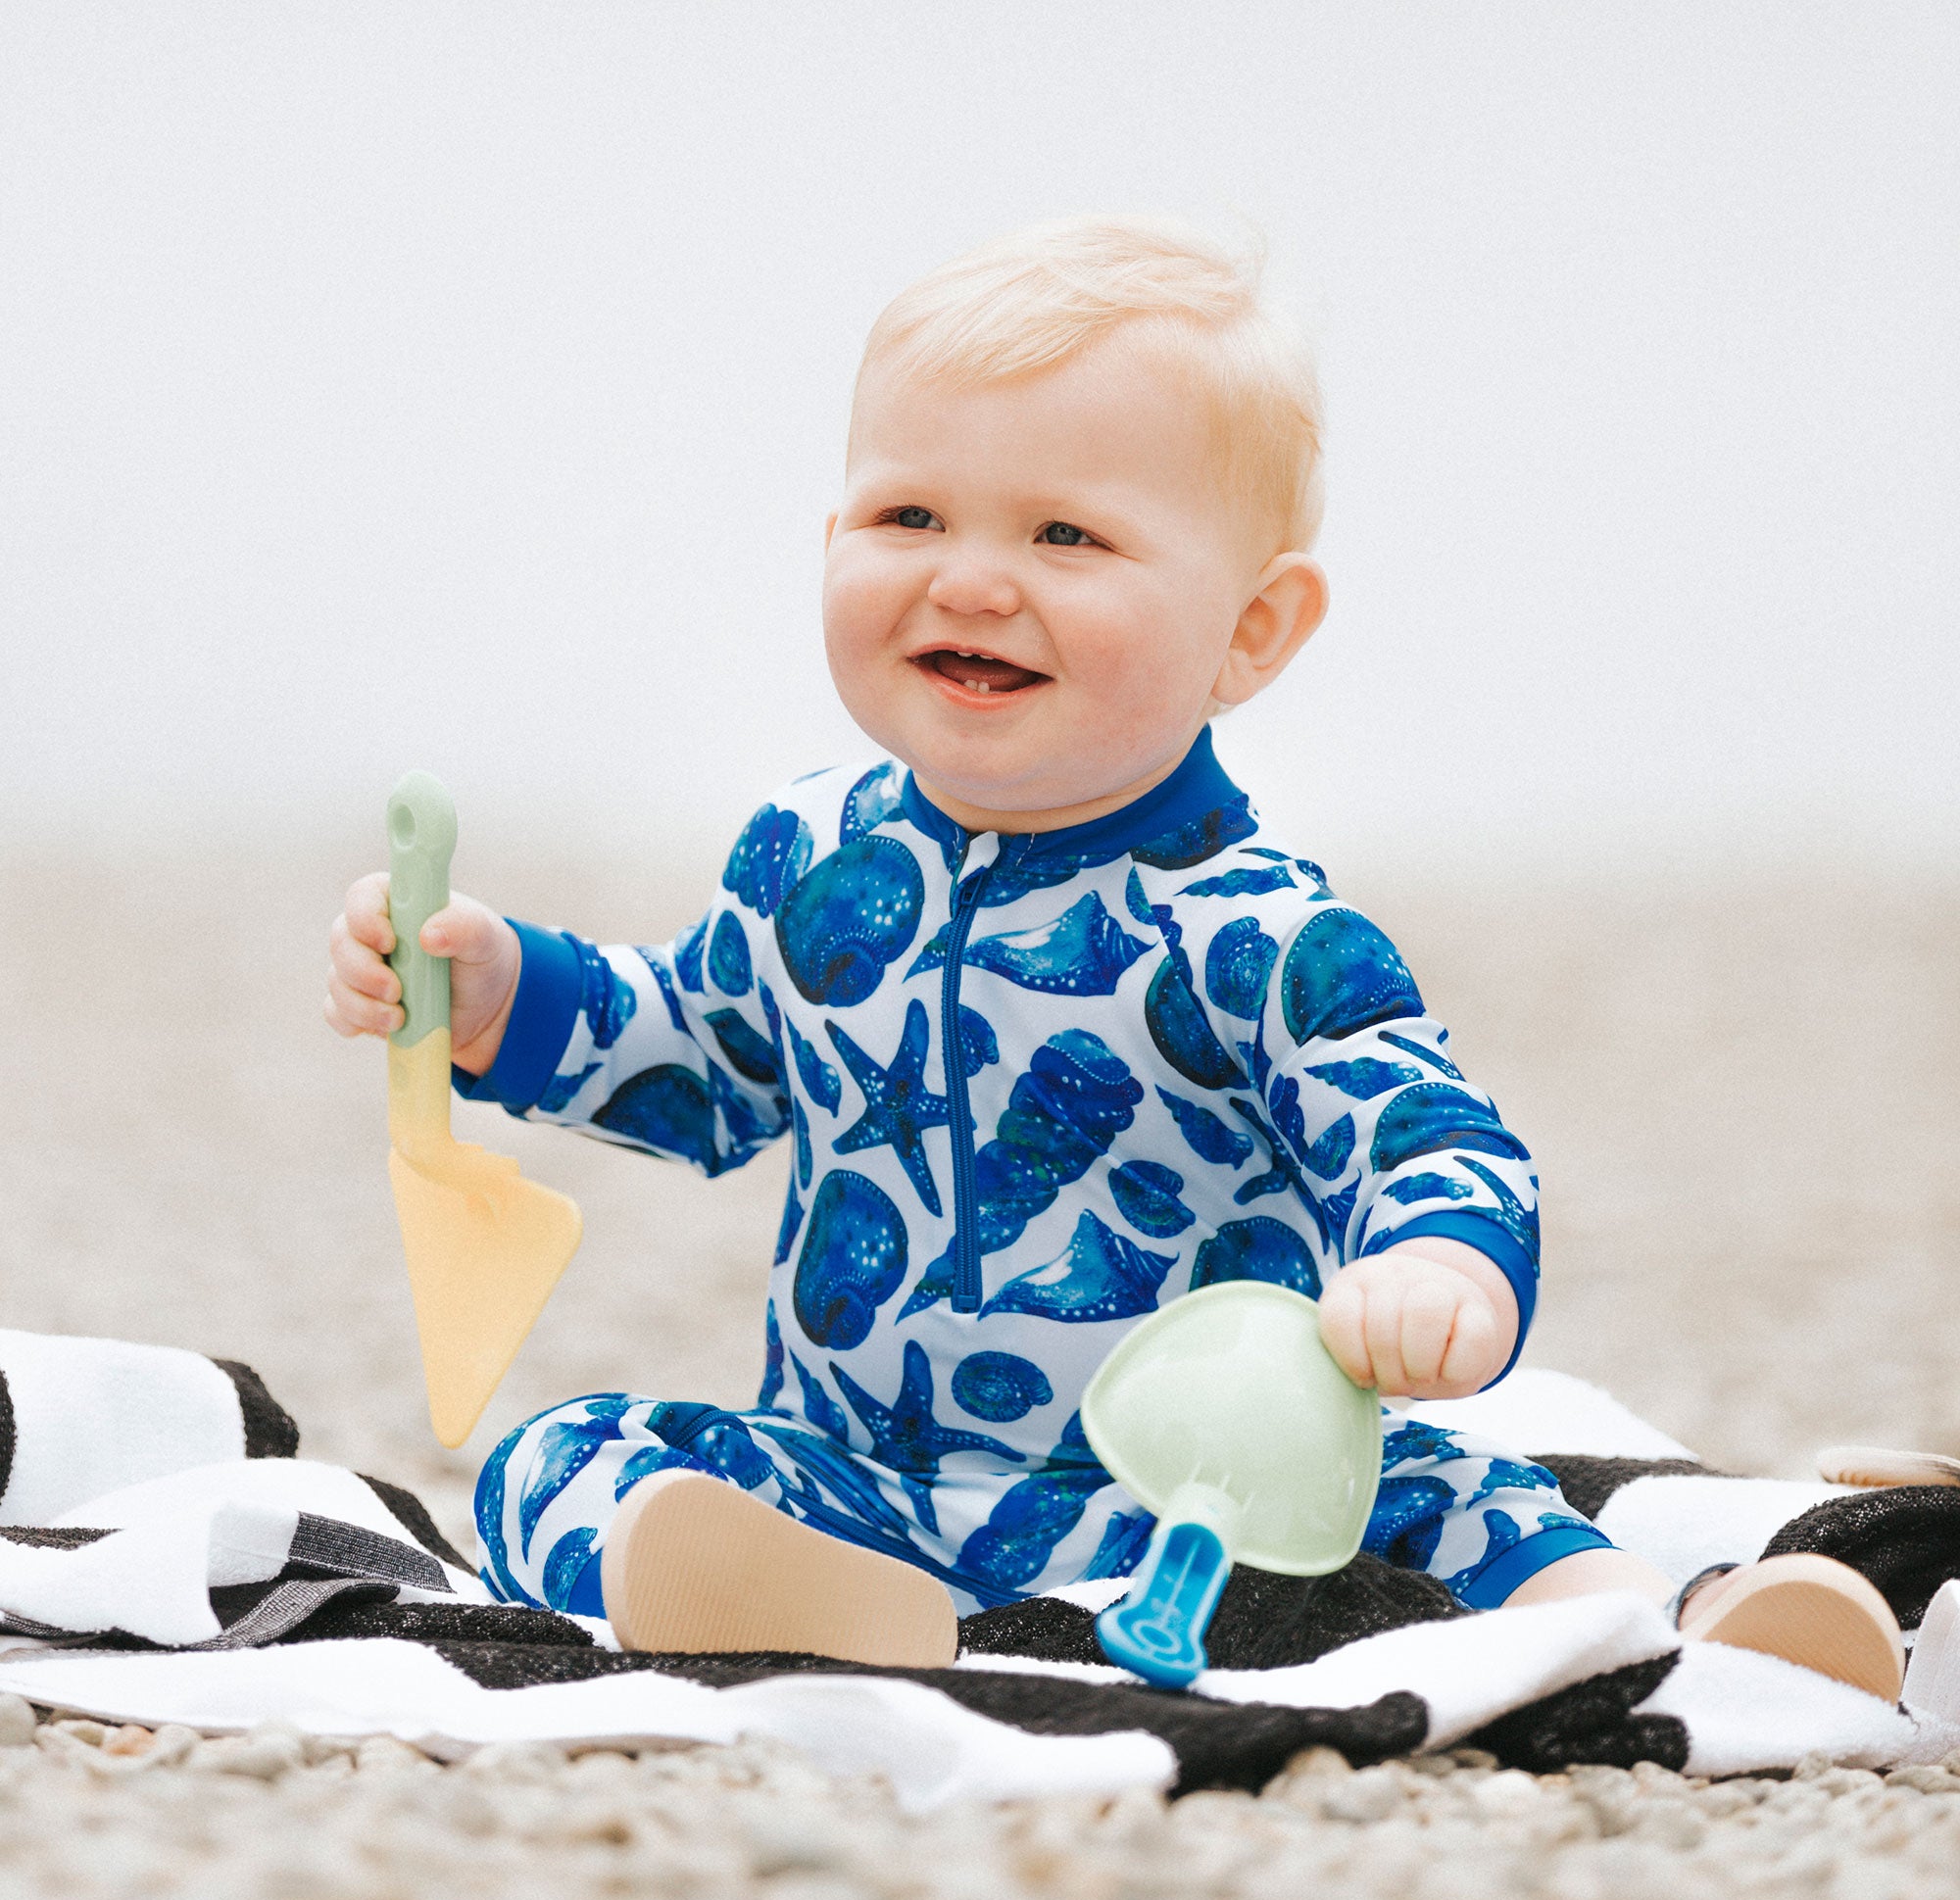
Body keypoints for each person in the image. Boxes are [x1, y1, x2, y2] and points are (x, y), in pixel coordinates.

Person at [326, 217, 1904, 1698]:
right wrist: (502, 997)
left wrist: (1437, 1271)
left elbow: (1424, 1134)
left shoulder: (1253, 929)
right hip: (857, 1472)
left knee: (1452, 1510)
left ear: (1253, 631)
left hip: (1211, 1489)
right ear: (831, 537)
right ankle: (819, 1605)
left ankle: (1673, 1640)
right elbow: (707, 1060)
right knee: (556, 1458)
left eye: (1067, 533)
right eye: (909, 516)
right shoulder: (809, 859)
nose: (970, 577)